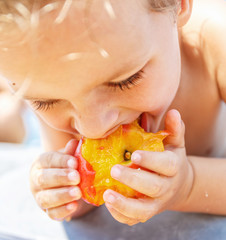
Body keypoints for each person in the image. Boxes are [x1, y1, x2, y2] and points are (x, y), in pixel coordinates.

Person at [0, 0, 226, 226]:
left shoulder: (214, 45)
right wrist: (62, 189)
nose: (93, 128)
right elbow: (83, 203)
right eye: (45, 102)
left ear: (179, 5)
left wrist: (189, 184)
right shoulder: (54, 77)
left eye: (124, 82)